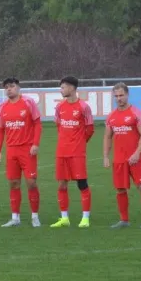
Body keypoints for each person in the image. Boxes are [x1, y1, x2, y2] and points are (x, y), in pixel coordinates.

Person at [103, 82, 141, 228]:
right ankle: (124, 220)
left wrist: (137, 153)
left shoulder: (136, 113)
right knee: (120, 189)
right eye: (116, 96)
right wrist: (106, 156)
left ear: (127, 95)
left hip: (135, 158)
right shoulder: (111, 116)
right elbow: (107, 137)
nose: (119, 98)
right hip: (119, 159)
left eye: (121, 95)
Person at [0, 77, 42, 227]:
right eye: (6, 87)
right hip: (11, 151)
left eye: (12, 86)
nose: (9, 89)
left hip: (27, 150)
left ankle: (35, 216)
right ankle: (15, 218)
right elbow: (1, 130)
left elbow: (37, 124)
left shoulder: (28, 103)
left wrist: (35, 143)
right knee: (13, 183)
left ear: (18, 87)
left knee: (31, 183)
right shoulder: (2, 107)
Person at [50, 76, 94, 228]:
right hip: (61, 152)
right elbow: (59, 126)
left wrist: (80, 143)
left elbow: (90, 129)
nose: (61, 90)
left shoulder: (83, 107)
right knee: (62, 184)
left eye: (63, 87)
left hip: (77, 152)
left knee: (82, 184)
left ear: (72, 88)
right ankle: (64, 218)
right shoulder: (59, 107)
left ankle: (85, 218)